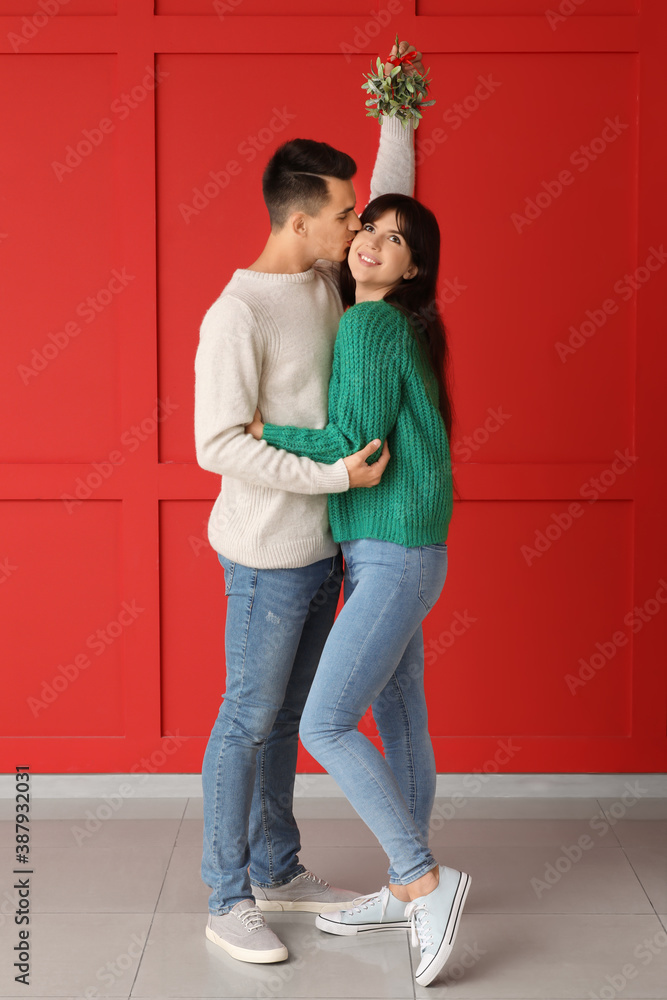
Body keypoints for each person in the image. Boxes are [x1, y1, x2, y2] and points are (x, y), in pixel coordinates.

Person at [194, 42, 427, 966]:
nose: (357, 227)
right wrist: (337, 478)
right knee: (245, 720)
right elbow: (218, 445)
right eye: (341, 216)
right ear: (299, 222)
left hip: (324, 548)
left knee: (288, 720)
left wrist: (398, 111)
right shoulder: (237, 313)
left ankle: (276, 865)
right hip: (263, 554)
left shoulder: (327, 282)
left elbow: (390, 188)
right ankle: (225, 895)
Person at [244, 192, 471, 988]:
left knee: (325, 722)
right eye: (367, 226)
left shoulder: (371, 324)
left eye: (395, 238)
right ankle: (405, 889)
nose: (372, 240)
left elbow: (352, 445)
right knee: (400, 713)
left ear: (414, 268)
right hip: (407, 551)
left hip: (390, 553)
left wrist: (263, 428)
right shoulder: (396, 324)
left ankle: (423, 881)